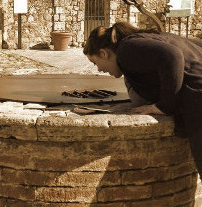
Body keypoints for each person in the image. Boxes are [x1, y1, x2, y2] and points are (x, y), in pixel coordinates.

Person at [84, 21, 202, 173]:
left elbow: (173, 56)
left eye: (95, 63)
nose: (99, 69)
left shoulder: (126, 49)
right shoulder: (146, 39)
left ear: (103, 53)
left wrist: (163, 106)